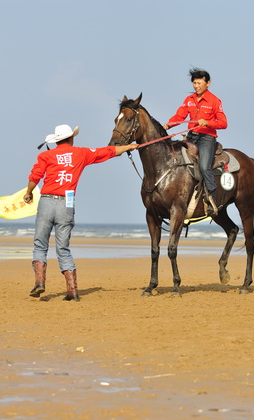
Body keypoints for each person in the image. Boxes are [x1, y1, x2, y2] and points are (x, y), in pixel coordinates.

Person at [24, 124, 138, 302]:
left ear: (56, 140)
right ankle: (72, 291)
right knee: (63, 248)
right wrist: (129, 147)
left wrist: (29, 192)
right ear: (71, 138)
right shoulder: (80, 153)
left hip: (46, 201)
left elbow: (35, 176)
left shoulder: (45, 155)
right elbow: (107, 151)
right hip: (66, 204)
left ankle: (40, 282)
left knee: (40, 244)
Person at [163, 68, 228, 216]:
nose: (196, 86)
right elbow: (179, 116)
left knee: (205, 167)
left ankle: (212, 199)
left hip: (207, 138)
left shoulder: (214, 101)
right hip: (192, 137)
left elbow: (223, 123)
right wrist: (169, 124)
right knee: (175, 161)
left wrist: (208, 122)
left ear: (208, 83)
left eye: (199, 83)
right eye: (194, 83)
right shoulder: (189, 100)